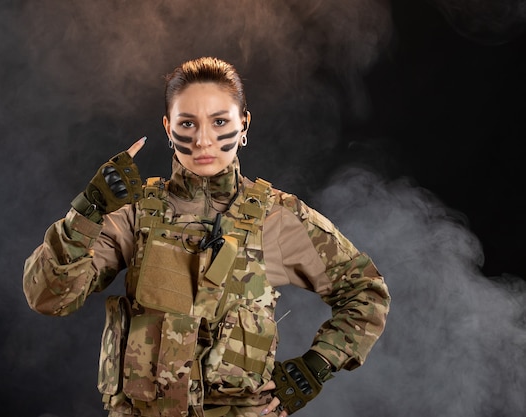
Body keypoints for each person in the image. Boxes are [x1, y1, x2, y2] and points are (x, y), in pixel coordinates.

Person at [23, 56, 390, 417]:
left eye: (219, 122)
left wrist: (316, 366)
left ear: (243, 125)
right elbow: (48, 298)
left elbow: (366, 291)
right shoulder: (135, 216)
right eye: (188, 123)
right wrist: (87, 211)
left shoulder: (277, 217)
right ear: (168, 128)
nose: (203, 140)